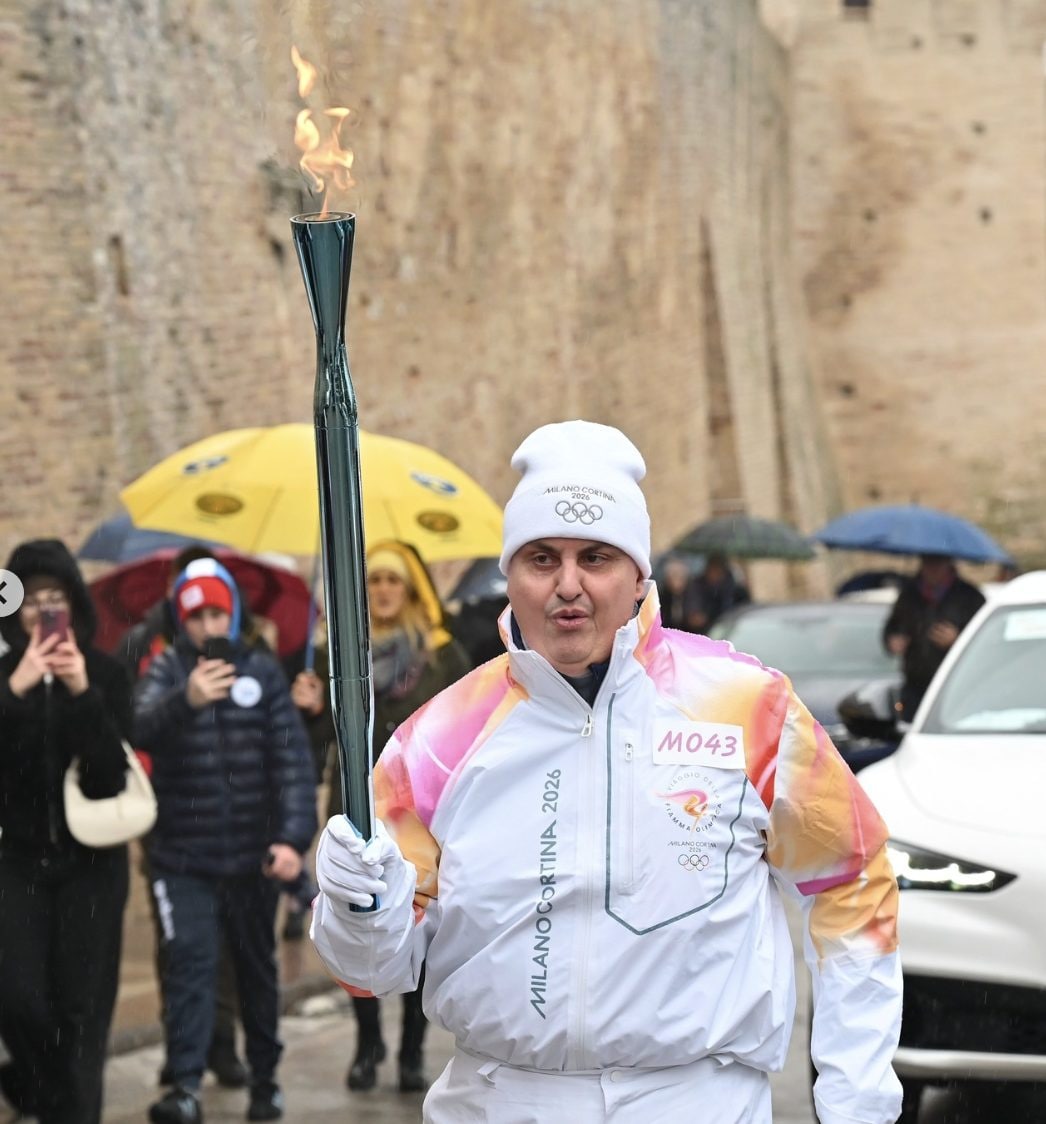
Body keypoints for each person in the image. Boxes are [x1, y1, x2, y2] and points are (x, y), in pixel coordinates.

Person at [309, 420, 903, 1124]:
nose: (568, 586)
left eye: (595, 557)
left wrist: (856, 1100)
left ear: (638, 574)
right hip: (501, 1100)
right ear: (510, 575)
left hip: (696, 1100)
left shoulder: (746, 706)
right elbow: (374, 968)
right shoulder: (439, 738)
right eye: (540, 558)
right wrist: (357, 908)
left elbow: (853, 881)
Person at [135, 559, 318, 1124]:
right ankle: (185, 1086)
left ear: (233, 615)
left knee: (255, 972)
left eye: (217, 613)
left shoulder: (261, 674)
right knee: (189, 965)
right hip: (181, 859)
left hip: (251, 860)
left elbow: (292, 765)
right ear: (181, 621)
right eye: (196, 616)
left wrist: (291, 839)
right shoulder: (166, 671)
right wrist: (183, 699)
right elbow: (137, 729)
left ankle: (266, 1080)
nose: (208, 626)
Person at [328, 541, 471, 1094]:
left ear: (410, 591)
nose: (384, 590)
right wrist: (312, 705)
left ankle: (412, 1051)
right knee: (357, 920)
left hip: (421, 815)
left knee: (417, 924)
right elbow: (322, 740)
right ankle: (368, 1045)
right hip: (356, 808)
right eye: (375, 581)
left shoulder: (441, 656)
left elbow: (465, 734)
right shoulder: (340, 656)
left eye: (394, 581)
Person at [0, 538, 133, 1124]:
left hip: (94, 867)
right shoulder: (4, 676)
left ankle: (72, 1112)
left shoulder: (105, 672)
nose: (41, 610)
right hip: (18, 861)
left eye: (54, 597)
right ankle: (41, 1092)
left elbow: (110, 775)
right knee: (18, 996)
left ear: (74, 604)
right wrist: (17, 689)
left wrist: (80, 693)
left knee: (81, 1014)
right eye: (29, 599)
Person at [116, 543, 250, 1091]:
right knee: (184, 947)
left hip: (233, 823)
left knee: (228, 946)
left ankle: (221, 1044)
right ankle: (187, 1052)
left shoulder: (244, 652)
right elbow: (133, 714)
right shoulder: (150, 644)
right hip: (167, 817)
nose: (204, 619)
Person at [882, 553, 985, 721]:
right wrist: (892, 641)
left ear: (949, 564)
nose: (932, 569)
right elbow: (892, 627)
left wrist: (958, 642)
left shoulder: (970, 596)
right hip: (915, 686)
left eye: (937, 563)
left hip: (957, 688)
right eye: (927, 562)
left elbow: (986, 640)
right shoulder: (909, 594)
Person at [687, 551, 750, 632]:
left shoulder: (736, 590)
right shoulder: (697, 586)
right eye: (712, 569)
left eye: (718, 570)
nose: (714, 574)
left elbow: (744, 610)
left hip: (730, 628)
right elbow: (694, 616)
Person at [655, 553, 699, 631]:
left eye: (680, 577)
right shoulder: (661, 597)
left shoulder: (693, 596)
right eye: (673, 576)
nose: (677, 582)